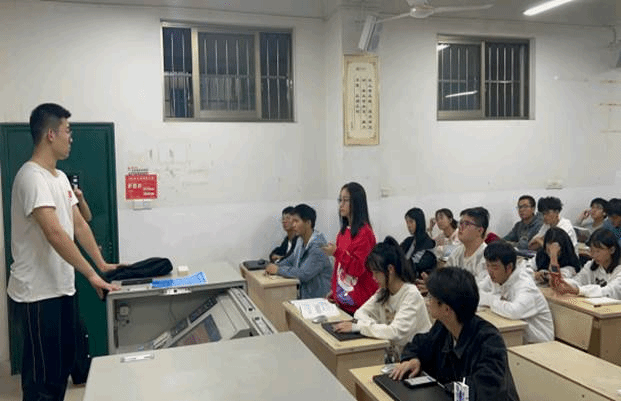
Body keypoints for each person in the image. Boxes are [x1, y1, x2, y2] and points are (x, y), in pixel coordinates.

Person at [7, 103, 120, 401]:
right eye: (67, 131)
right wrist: (90, 275)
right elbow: (55, 232)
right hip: (36, 295)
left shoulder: (58, 178)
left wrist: (101, 263)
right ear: (50, 135)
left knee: (60, 370)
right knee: (42, 379)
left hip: (61, 289)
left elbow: (78, 224)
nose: (71, 138)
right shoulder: (31, 177)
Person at [390, 267, 520, 401]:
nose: (428, 301)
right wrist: (414, 359)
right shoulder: (444, 326)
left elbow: (482, 389)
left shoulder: (489, 340)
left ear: (447, 309)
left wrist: (447, 390)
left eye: (431, 297)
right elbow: (421, 344)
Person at [332, 236, 432, 360]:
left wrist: (360, 327)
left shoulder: (411, 294)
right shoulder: (384, 292)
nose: (373, 278)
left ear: (390, 269)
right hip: (396, 359)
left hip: (417, 361)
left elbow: (395, 333)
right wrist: (374, 327)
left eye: (376, 272)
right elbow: (359, 313)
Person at [479, 241, 554, 344]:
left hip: (538, 344)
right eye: (488, 266)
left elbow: (514, 311)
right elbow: (476, 292)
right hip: (518, 339)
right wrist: (491, 299)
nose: (490, 271)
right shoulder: (495, 277)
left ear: (509, 267)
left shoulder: (525, 285)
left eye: (494, 267)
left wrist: (490, 299)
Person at [323, 182, 378, 315]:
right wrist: (335, 290)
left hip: (360, 305)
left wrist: (336, 252)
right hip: (344, 301)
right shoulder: (343, 233)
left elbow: (358, 269)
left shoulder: (364, 233)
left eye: (345, 200)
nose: (341, 205)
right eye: (340, 200)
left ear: (357, 203)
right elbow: (339, 267)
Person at [265, 204, 332, 299]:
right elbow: (290, 260)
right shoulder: (300, 241)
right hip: (305, 296)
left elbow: (303, 274)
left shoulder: (318, 247)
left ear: (308, 223)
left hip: (318, 299)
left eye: (296, 221)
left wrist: (278, 270)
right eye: (292, 222)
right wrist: (275, 266)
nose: (293, 225)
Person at [551, 228, 621, 299]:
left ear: (612, 250)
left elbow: (609, 291)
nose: (594, 255)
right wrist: (563, 283)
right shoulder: (591, 265)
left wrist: (578, 290)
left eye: (598, 251)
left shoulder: (619, 270)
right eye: (592, 251)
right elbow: (578, 280)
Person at [445, 207, 491, 290]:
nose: (460, 227)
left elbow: (479, 289)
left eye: (466, 224)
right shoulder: (457, 252)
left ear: (480, 231)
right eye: (460, 223)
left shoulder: (487, 257)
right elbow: (446, 276)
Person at [399, 207, 436, 278]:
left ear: (419, 222)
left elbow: (415, 266)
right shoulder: (408, 241)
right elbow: (397, 254)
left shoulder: (428, 244)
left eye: (411, 222)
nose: (408, 225)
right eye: (407, 222)